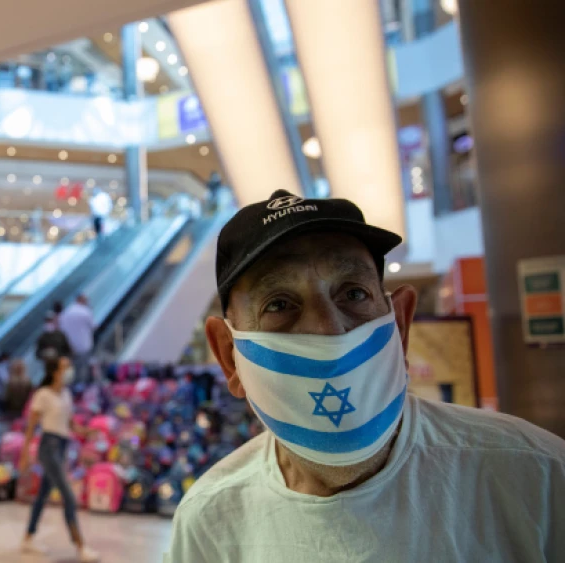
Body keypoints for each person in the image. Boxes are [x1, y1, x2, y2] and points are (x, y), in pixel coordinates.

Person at [167, 190, 565, 561]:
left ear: (401, 326)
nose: (329, 329)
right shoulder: (210, 523)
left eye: (353, 293)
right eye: (280, 304)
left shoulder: (538, 476)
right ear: (229, 357)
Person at [19, 355, 99, 562]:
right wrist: (25, 454)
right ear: (55, 371)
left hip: (62, 446)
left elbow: (71, 424)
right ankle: (80, 547)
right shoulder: (42, 394)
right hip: (48, 448)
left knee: (43, 495)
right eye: (65, 367)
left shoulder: (66, 394)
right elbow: (31, 427)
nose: (69, 370)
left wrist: (86, 432)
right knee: (69, 496)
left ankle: (28, 537)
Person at [57, 295, 95, 384]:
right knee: (82, 370)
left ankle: (71, 388)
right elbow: (93, 326)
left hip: (69, 348)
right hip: (84, 346)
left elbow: (61, 328)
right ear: (83, 301)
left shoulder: (66, 312)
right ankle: (81, 390)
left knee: (70, 370)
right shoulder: (85, 311)